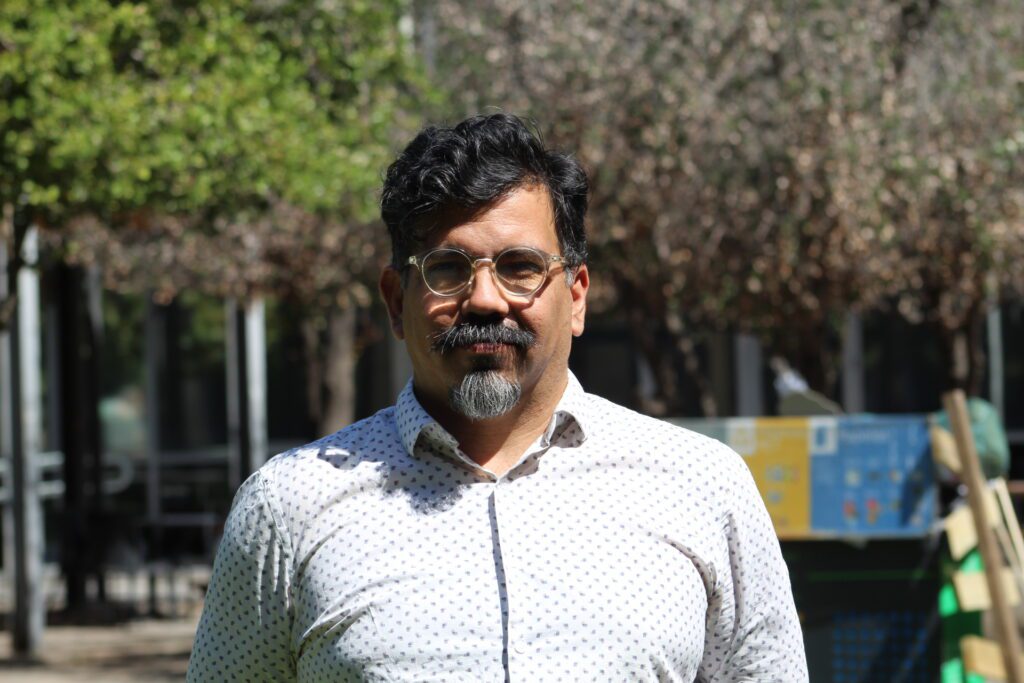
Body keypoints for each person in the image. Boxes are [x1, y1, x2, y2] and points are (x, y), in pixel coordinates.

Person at [187, 113, 808, 682]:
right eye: (447, 268)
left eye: (520, 267)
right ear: (397, 302)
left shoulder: (702, 487)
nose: (485, 299)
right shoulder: (288, 506)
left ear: (577, 297)